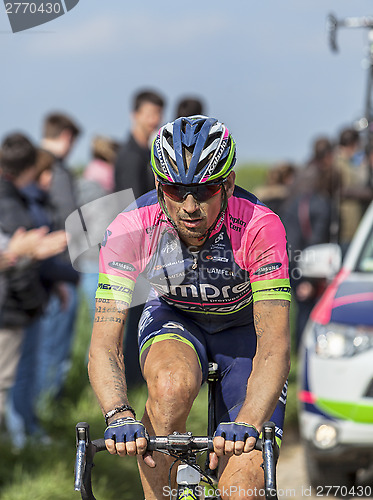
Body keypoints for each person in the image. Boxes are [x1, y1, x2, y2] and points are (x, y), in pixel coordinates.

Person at [88, 116, 291, 499]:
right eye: (176, 191)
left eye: (205, 190)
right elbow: (104, 344)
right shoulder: (130, 227)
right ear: (158, 184)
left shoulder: (260, 226)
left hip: (244, 333)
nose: (190, 206)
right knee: (168, 386)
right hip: (175, 319)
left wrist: (247, 423)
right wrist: (118, 414)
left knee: (243, 489)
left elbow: (275, 345)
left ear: (228, 184)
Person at [0, 133, 67, 429]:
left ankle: (22, 435)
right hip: (14, 306)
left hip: (19, 302)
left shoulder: (14, 198)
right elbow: (16, 259)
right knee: (9, 380)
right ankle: (18, 439)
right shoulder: (10, 202)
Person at [114, 89, 165, 388]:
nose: (154, 120)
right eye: (150, 113)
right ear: (135, 115)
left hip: (146, 248)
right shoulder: (130, 155)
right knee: (133, 321)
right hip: (135, 251)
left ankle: (138, 379)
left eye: (158, 113)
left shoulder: (145, 151)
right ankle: (132, 383)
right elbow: (132, 207)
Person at [37, 112, 81, 403]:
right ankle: (46, 403)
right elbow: (64, 218)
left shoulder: (41, 164)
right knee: (52, 344)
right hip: (57, 270)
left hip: (51, 270)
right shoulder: (53, 169)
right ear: (66, 136)